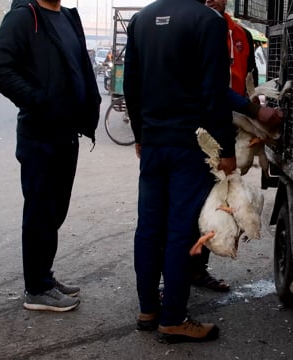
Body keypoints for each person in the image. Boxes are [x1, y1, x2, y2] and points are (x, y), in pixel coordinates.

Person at [123, 0, 234, 343]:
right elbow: (214, 93)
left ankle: (148, 309)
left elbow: (131, 84)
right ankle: (173, 318)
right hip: (190, 146)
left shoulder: (141, 21)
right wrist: (226, 150)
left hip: (154, 144)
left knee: (149, 228)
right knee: (180, 232)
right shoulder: (208, 22)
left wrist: (141, 135)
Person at [0, 0, 101, 312]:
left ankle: (44, 277)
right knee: (40, 212)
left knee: (54, 212)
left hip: (66, 133)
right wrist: (38, 100)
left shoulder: (66, 17)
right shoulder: (24, 18)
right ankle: (36, 289)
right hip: (40, 136)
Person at [187, 0, 276, 293]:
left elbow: (249, 82)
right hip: (201, 125)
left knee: (218, 199)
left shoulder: (242, 35)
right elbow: (209, 86)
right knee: (189, 203)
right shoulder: (194, 26)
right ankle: (178, 273)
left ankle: (198, 269)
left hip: (233, 123)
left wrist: (254, 114)